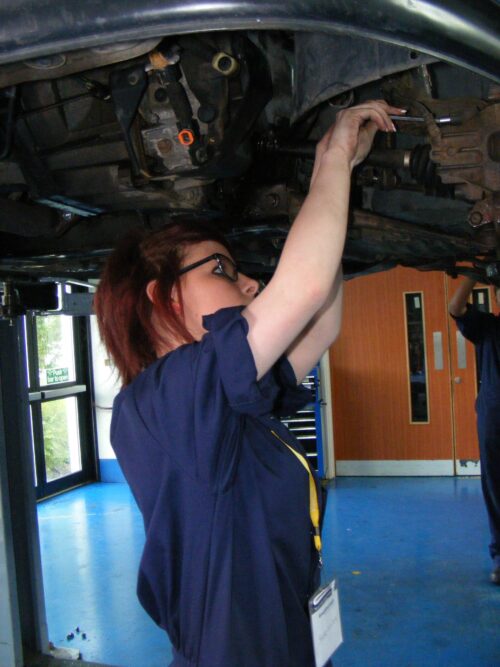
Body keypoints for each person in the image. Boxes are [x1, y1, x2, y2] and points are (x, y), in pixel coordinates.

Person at [94, 100, 403, 667]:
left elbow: (321, 319)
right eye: (222, 269)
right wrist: (330, 160)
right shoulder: (163, 400)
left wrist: (340, 179)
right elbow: (302, 290)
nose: (250, 284)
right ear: (164, 296)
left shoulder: (222, 399)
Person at [448, 276, 500, 585]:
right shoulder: (487, 326)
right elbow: (455, 307)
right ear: (495, 294)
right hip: (494, 415)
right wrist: (475, 274)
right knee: (495, 484)